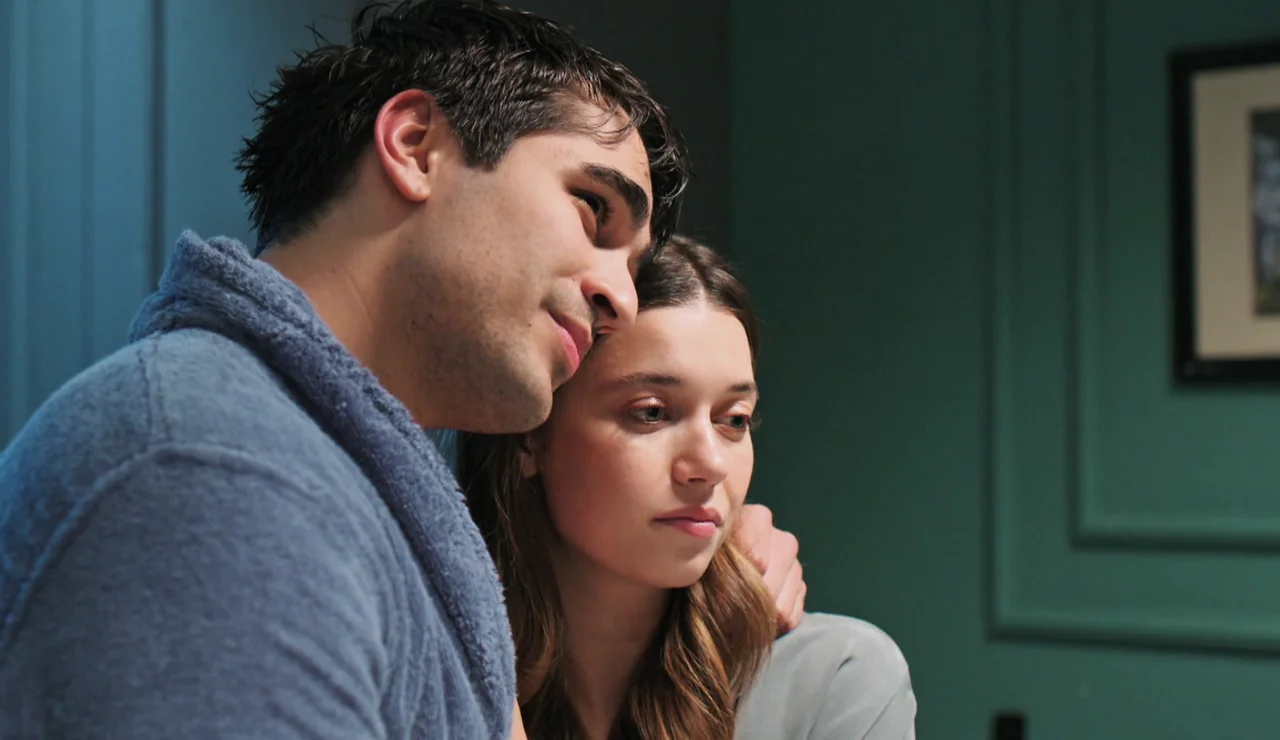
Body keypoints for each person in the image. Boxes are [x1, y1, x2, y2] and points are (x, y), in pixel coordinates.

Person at [0, 2, 804, 738]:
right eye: (594, 208)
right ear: (416, 147)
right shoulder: (210, 471)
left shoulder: (337, 486)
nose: (619, 300)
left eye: (632, 264)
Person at [458, 235, 917, 739]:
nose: (710, 464)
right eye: (651, 413)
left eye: (734, 420)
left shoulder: (836, 679)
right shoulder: (445, 660)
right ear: (531, 436)